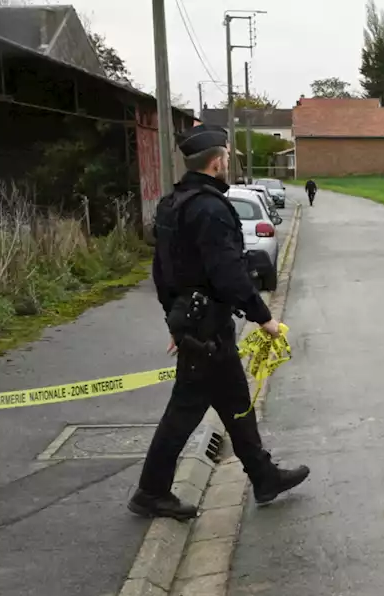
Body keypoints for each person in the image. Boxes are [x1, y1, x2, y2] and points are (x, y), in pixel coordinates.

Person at [131, 123, 310, 521]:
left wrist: (174, 323)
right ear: (216, 162)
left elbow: (162, 272)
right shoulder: (210, 209)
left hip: (197, 326)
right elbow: (228, 273)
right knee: (184, 412)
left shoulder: (172, 204)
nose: (229, 162)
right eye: (227, 157)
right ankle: (150, 491)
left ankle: (264, 477)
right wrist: (264, 319)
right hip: (207, 330)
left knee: (235, 403)